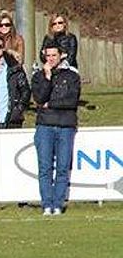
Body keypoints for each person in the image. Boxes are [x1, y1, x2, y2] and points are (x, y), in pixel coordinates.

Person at [32, 42, 81, 216]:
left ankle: (58, 204)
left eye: (54, 55)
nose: (51, 59)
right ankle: (47, 204)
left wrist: (51, 104)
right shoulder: (39, 76)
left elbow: (71, 101)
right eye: (48, 55)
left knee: (62, 167)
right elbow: (39, 98)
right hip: (44, 125)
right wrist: (47, 77)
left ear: (61, 55)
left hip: (66, 125)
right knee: (45, 167)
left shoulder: (72, 76)